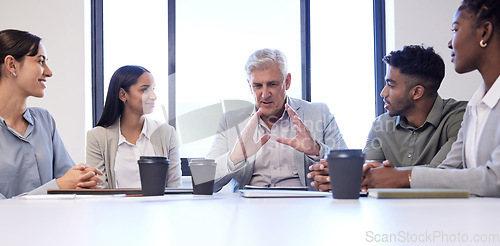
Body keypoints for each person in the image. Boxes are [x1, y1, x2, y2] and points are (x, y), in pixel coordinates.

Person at [361, 0, 500, 197]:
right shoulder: (475, 107)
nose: (450, 42)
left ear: (484, 32)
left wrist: (401, 177)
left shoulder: (460, 113)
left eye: (456, 29)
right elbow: (447, 172)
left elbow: (496, 179)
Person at [308, 45, 467, 192]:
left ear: (417, 92)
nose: (383, 93)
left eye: (391, 85)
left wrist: (388, 175)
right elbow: (365, 173)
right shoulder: (380, 124)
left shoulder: (460, 117)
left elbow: (442, 172)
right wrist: (337, 175)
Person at [206, 48, 347, 192]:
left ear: (287, 82)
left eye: (272, 84)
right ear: (250, 85)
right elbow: (203, 182)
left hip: (305, 207)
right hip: (248, 209)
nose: (265, 94)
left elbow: (349, 170)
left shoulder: (320, 113)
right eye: (257, 86)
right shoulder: (231, 121)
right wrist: (233, 159)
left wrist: (317, 150)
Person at [0, 29, 102, 199]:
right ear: (12, 65)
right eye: (40, 62)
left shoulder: (44, 120)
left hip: (52, 224)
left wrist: (83, 179)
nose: (49, 72)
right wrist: (59, 186)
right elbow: (63, 184)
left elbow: (69, 180)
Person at [86, 65, 181, 188]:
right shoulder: (97, 137)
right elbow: (99, 190)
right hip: (114, 207)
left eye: (153, 89)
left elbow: (175, 188)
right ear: (123, 94)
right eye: (145, 90)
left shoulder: (167, 133)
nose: (153, 96)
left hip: (158, 207)